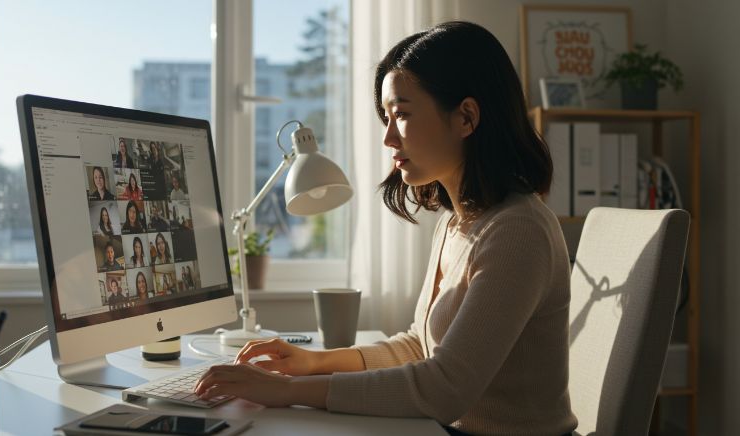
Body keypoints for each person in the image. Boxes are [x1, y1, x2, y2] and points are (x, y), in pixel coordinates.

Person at [193, 21, 576, 436]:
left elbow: (444, 389)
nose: (388, 138)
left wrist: (286, 389)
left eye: (402, 115)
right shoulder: (456, 223)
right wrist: (310, 362)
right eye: (386, 118)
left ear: (466, 117)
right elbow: (419, 347)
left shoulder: (518, 231)